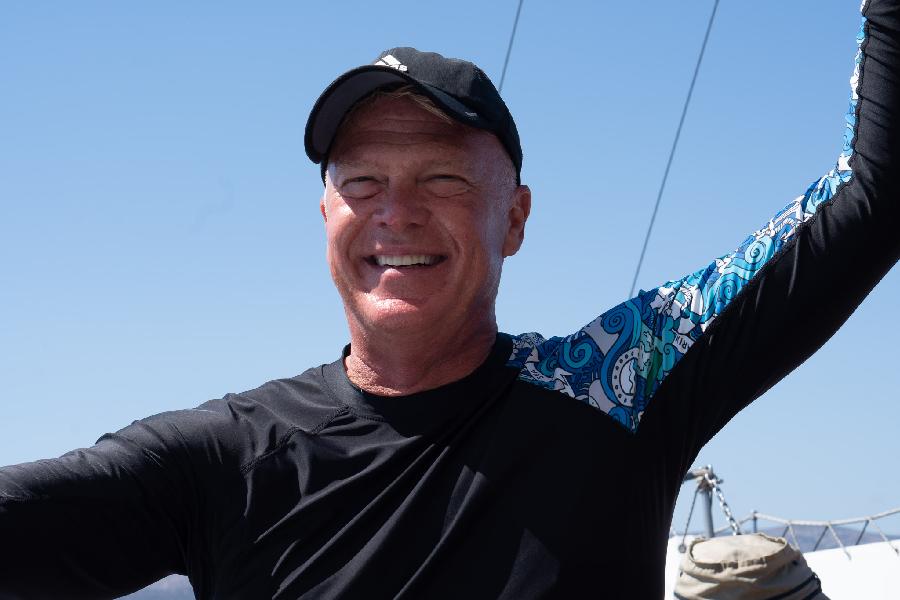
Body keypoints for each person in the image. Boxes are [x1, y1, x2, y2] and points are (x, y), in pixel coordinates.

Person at [1, 1, 897, 598]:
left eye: (442, 178)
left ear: (516, 219)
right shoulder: (226, 460)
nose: (396, 213)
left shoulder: (620, 385)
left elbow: (876, 196)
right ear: (325, 214)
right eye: (362, 181)